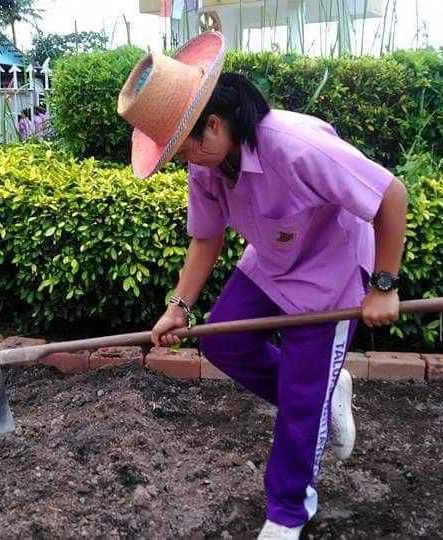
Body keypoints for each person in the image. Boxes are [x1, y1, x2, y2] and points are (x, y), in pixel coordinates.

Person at [117, 32, 407, 540]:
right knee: (224, 341)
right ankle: (322, 396)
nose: (183, 161)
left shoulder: (296, 147)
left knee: (300, 398)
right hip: (273, 261)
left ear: (212, 125)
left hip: (332, 274)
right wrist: (178, 306)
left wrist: (383, 285)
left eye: (182, 149)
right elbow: (206, 237)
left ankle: (289, 510)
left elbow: (390, 195)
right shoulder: (207, 163)